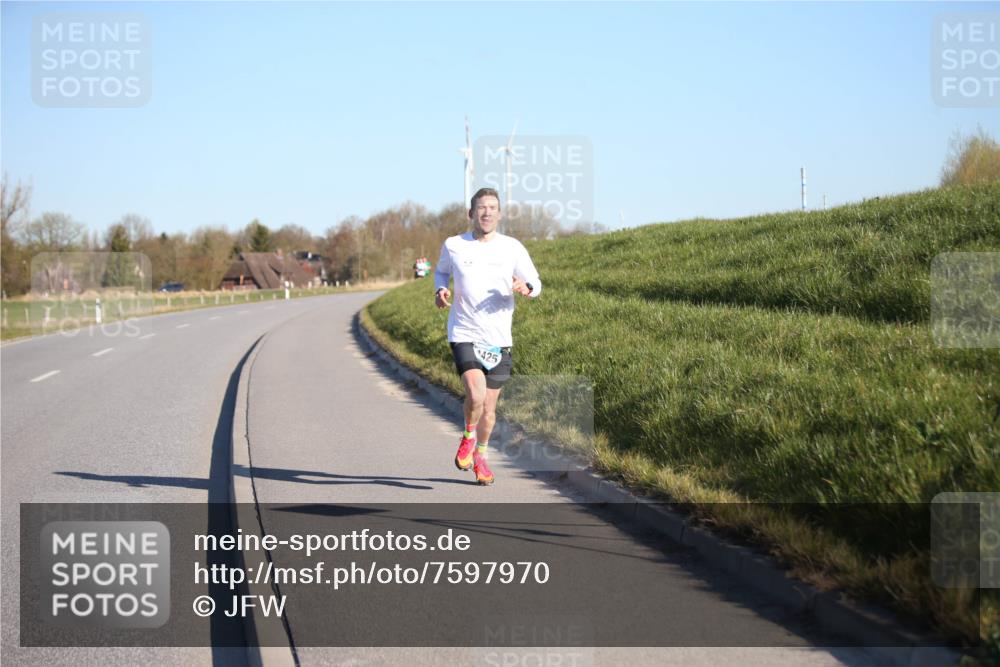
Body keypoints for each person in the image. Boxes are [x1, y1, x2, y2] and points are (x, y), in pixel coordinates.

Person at [434, 187, 542, 485]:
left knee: (490, 409)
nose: (487, 212)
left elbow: (536, 282)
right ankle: (468, 437)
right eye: (481, 208)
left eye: (493, 207)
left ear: (500, 214)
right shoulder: (454, 245)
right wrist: (440, 290)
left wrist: (526, 288)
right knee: (476, 395)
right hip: (464, 332)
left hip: (499, 339)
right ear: (471, 213)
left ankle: (480, 456)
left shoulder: (512, 247)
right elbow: (441, 273)